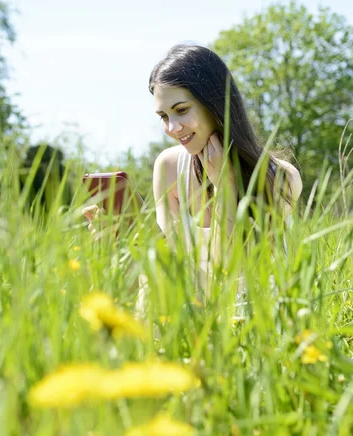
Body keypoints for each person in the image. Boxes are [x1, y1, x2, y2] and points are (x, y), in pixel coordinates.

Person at [84, 43, 303, 309]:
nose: (172, 128)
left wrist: (225, 185)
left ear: (214, 103)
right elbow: (163, 280)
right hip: (181, 315)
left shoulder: (280, 178)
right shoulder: (169, 167)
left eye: (182, 110)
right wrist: (123, 246)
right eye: (164, 116)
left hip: (248, 325)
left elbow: (230, 275)